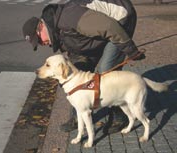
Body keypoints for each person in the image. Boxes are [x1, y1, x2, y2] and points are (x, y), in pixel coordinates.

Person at [22, 0, 145, 134]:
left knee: (106, 70)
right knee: (77, 68)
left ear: (41, 26)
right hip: (100, 28)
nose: (41, 44)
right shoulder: (57, 30)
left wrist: (131, 51)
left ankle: (119, 116)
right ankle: (79, 115)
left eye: (38, 39)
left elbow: (108, 27)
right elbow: (77, 49)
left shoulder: (70, 18)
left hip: (119, 20)